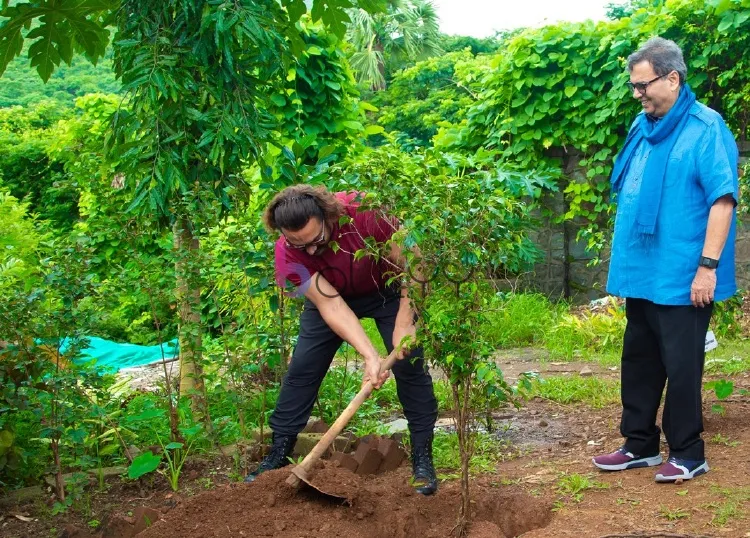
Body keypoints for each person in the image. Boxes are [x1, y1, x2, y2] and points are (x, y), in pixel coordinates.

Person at [593, 37, 738, 483]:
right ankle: (639, 444)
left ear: (672, 78)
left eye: (643, 86)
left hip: (683, 273)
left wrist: (707, 267)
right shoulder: (644, 125)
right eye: (634, 88)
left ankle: (689, 452)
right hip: (643, 270)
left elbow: (723, 200)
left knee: (682, 364)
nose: (638, 95)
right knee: (639, 358)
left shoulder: (705, 127)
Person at [244, 184, 439, 495]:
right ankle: (278, 454)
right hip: (332, 296)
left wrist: (405, 323)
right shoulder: (286, 254)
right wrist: (369, 355)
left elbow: (416, 266)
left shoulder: (369, 214)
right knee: (303, 368)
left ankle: (422, 458)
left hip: (387, 289)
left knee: (409, 365)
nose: (309, 250)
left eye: (315, 240)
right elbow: (330, 305)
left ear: (329, 216)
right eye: (298, 244)